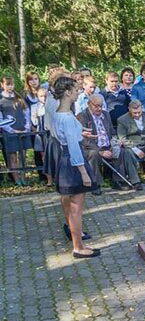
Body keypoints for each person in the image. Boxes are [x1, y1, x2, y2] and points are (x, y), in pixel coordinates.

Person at [51, 76, 99, 258]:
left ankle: (75, 238)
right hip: (72, 161)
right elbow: (73, 146)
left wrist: (82, 132)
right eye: (76, 90)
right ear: (68, 92)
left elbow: (66, 134)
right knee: (76, 207)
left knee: (68, 202)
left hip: (63, 159)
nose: (79, 93)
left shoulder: (58, 113)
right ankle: (78, 247)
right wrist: (83, 172)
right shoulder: (68, 118)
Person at [77, 94, 128, 194]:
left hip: (108, 145)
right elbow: (84, 140)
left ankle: (118, 180)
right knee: (94, 154)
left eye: (100, 106)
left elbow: (112, 132)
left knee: (121, 151)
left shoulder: (106, 114)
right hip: (91, 147)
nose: (99, 108)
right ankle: (96, 183)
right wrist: (100, 151)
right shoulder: (82, 116)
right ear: (89, 104)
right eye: (96, 106)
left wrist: (116, 142)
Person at [0, 76, 32, 185]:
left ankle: (23, 178)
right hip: (9, 132)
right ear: (2, 85)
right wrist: (11, 130)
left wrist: (27, 127)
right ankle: (17, 180)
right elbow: (1, 120)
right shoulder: (1, 101)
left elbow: (26, 113)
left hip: (22, 130)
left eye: (11, 84)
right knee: (12, 157)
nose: (10, 87)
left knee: (23, 156)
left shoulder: (19, 98)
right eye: (8, 84)